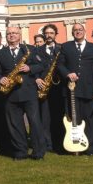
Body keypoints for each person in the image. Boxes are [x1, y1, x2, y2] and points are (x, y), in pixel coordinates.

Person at [0, 25, 45, 160]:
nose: (11, 35)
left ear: (19, 35)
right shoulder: (1, 53)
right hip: (11, 94)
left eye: (14, 33)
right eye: (9, 34)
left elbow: (41, 65)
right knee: (15, 125)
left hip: (29, 92)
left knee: (35, 123)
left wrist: (30, 68)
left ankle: (38, 152)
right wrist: (1, 79)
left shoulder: (30, 49)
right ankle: (20, 152)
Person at [57, 23, 93, 156]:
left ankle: (90, 148)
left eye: (80, 30)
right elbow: (60, 64)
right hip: (71, 90)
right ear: (72, 32)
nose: (78, 32)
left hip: (88, 89)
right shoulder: (65, 46)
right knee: (73, 120)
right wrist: (67, 73)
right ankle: (74, 147)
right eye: (75, 30)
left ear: (85, 31)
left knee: (89, 120)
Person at [37, 24, 62, 153]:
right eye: (46, 33)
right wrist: (37, 78)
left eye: (51, 33)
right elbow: (33, 66)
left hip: (58, 88)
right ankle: (47, 144)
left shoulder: (61, 49)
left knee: (58, 117)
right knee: (45, 118)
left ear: (55, 34)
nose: (49, 35)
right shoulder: (38, 50)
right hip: (43, 88)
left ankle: (58, 143)